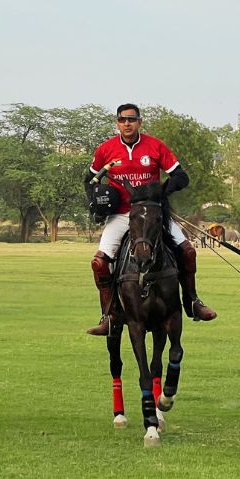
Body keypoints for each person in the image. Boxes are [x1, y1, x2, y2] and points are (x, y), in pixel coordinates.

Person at [84, 104, 217, 336]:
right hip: (123, 213)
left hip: (153, 213)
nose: (127, 123)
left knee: (187, 251)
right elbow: (89, 179)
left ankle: (192, 301)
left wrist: (161, 192)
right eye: (122, 120)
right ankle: (109, 314)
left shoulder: (155, 146)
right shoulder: (106, 149)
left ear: (139, 122)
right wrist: (98, 201)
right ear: (117, 123)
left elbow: (180, 176)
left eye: (132, 119)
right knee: (99, 262)